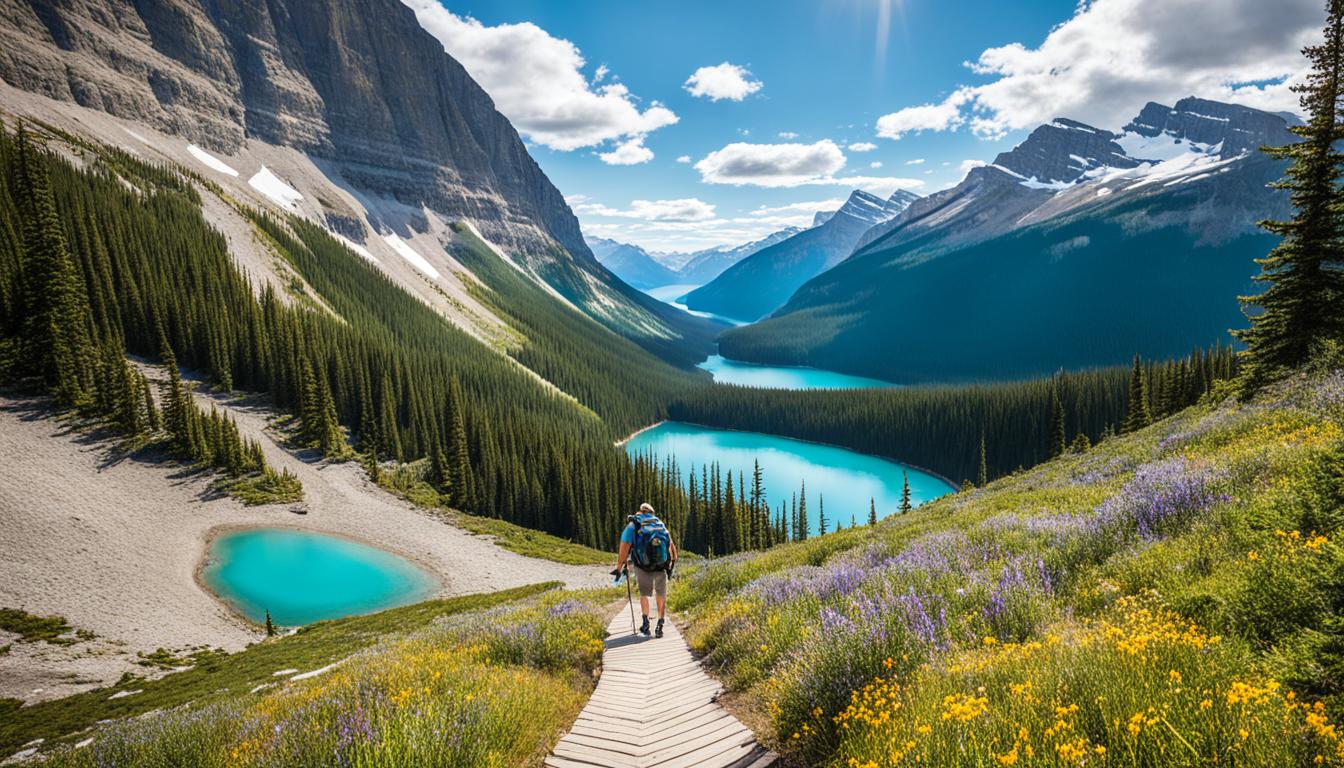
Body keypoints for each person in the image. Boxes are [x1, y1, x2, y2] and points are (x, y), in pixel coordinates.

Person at [614, 502, 678, 637]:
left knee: (645, 594)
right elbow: (671, 546)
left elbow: (624, 549)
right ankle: (660, 624)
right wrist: (672, 563)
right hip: (661, 565)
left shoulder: (633, 526)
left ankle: (645, 624)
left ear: (640, 511)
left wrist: (619, 567)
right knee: (661, 594)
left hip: (643, 566)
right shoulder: (659, 524)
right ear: (651, 512)